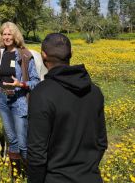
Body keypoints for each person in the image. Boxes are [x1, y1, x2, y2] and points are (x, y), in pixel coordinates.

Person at [27, 33, 108, 183]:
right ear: (71, 54)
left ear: (43, 55)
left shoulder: (41, 94)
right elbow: (102, 142)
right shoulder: (95, 92)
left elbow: (37, 154)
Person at [0, 21, 40, 179]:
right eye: (4, 34)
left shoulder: (24, 55)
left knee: (23, 143)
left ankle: (34, 175)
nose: (7, 37)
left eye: (9, 34)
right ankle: (16, 175)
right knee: (12, 139)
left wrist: (21, 83)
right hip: (2, 100)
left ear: (15, 35)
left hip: (18, 100)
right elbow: (1, 74)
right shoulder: (0, 53)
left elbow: (36, 82)